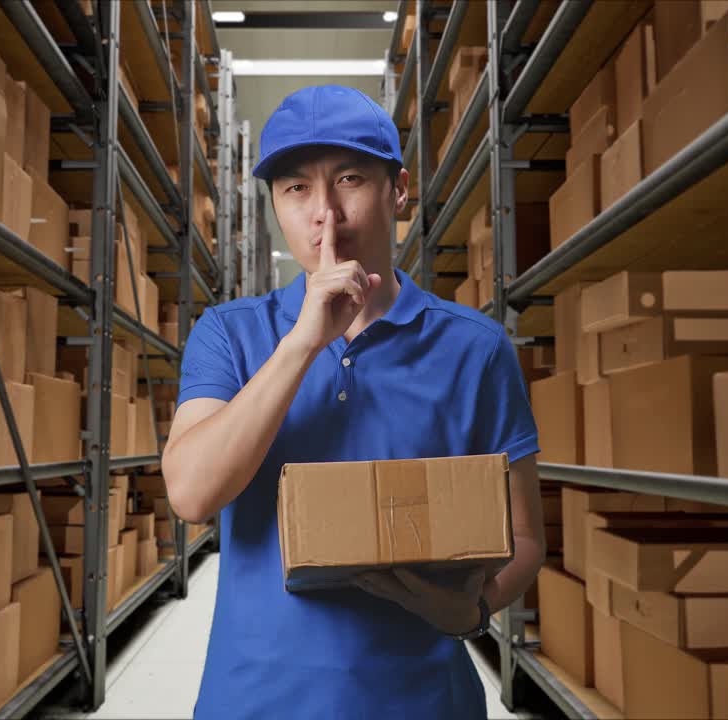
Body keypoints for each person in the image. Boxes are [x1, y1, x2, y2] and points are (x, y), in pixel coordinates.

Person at [162, 84, 546, 720]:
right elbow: (192, 495)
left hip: (421, 701)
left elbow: (526, 534)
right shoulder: (229, 333)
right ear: (275, 207)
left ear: (397, 190)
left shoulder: (475, 349)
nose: (324, 214)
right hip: (254, 700)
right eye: (295, 189)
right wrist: (302, 343)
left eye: (348, 179)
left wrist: (475, 610)